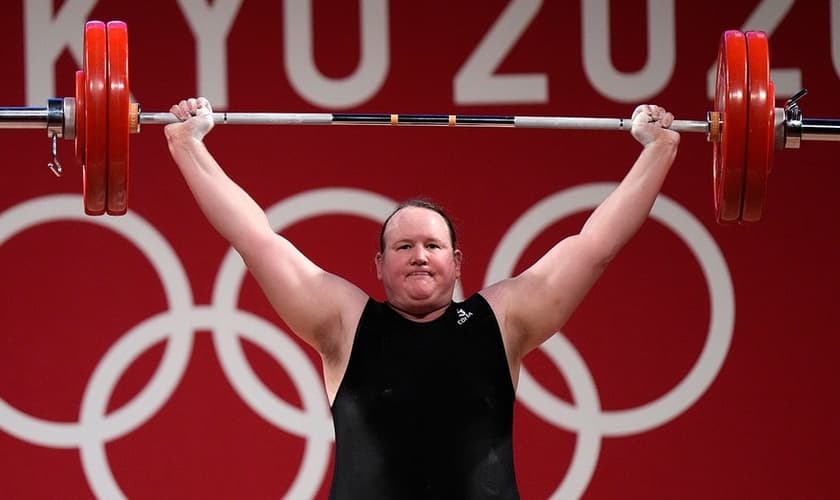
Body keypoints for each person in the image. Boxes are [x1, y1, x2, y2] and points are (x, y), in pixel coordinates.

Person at [164, 97, 679, 499]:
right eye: (403, 246)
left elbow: (594, 248)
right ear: (380, 266)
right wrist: (189, 146)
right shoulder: (343, 325)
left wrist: (660, 150)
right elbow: (256, 241)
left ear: (457, 264)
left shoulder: (503, 320)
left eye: (433, 245)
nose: (419, 256)